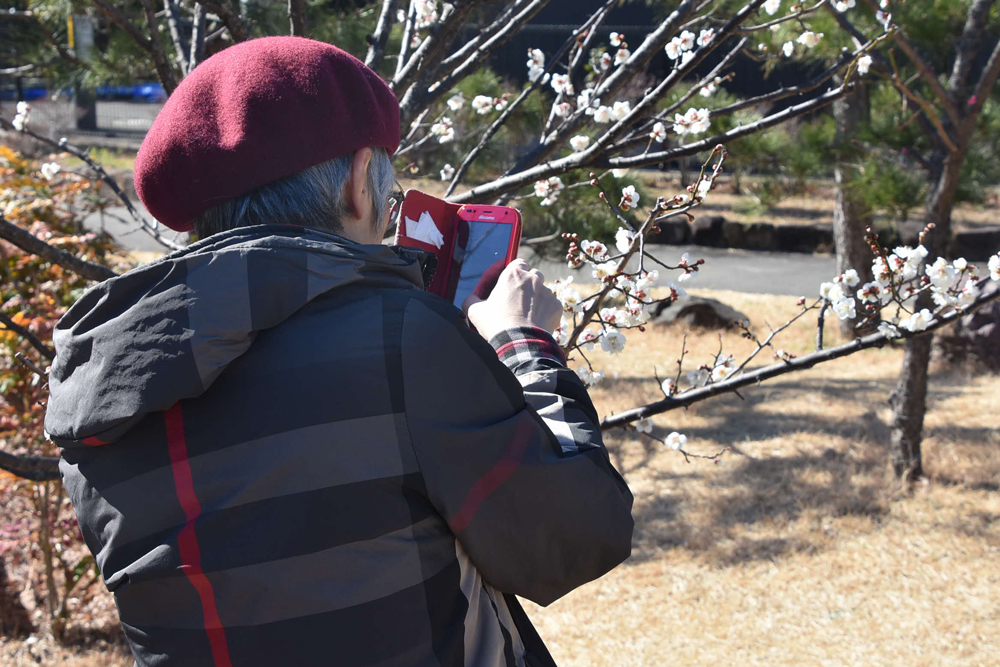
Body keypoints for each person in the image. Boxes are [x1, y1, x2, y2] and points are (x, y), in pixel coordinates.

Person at [44, 37, 633, 667]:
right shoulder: (400, 338)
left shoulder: (98, 387)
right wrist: (524, 347)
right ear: (358, 183)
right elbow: (573, 538)